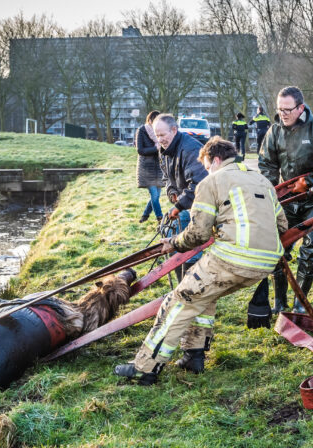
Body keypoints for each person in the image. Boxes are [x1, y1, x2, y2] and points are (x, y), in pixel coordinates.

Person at [114, 137, 288, 385]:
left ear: (215, 160)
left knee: (177, 301)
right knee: (201, 293)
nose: (206, 171)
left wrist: (172, 243)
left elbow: (198, 234)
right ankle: (193, 356)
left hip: (232, 258)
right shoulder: (262, 181)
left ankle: (144, 368)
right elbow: (282, 225)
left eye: (207, 166)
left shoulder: (211, 181)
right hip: (266, 262)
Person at [258, 86, 313, 314]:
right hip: (287, 200)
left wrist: (311, 180)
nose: (283, 114)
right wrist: (275, 188)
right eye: (279, 109)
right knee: (277, 248)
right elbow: (266, 163)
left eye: (287, 109)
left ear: (300, 108)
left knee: (312, 247)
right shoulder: (274, 132)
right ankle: (279, 301)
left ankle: (301, 302)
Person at [154, 113, 208, 276]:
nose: (160, 140)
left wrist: (179, 205)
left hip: (199, 204)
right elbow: (166, 177)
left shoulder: (190, 149)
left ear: (174, 130)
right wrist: (172, 193)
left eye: (163, 135)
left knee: (190, 246)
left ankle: (191, 286)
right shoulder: (164, 149)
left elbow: (199, 183)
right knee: (172, 241)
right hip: (184, 203)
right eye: (157, 136)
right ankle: (180, 287)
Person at [135, 110, 163, 223]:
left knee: (156, 196)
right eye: (155, 120)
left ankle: (145, 216)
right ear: (150, 120)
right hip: (146, 168)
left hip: (159, 168)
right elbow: (140, 150)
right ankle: (160, 218)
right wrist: (156, 149)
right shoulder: (141, 130)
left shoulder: (161, 132)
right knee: (154, 195)